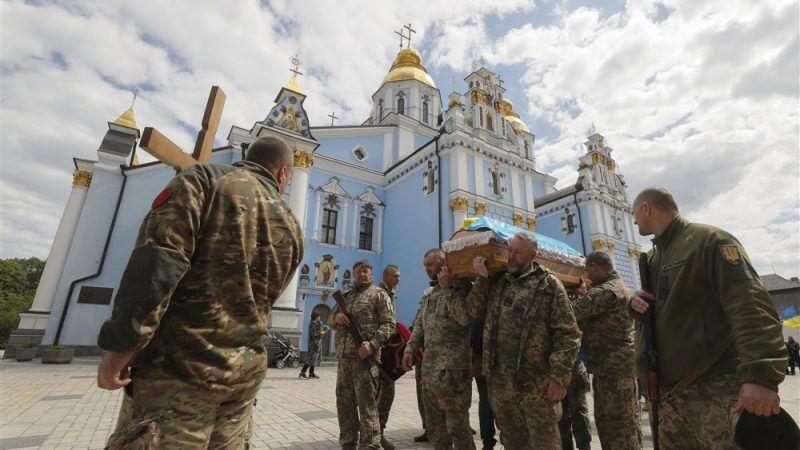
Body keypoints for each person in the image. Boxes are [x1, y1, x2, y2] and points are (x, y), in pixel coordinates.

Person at [96, 136, 304, 449]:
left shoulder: (204, 180)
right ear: (283, 173)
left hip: (180, 373)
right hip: (242, 379)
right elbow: (265, 299)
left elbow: (158, 264)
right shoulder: (291, 224)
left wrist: (121, 347)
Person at [629, 187, 787, 448]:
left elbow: (750, 306)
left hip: (712, 389)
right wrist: (635, 305)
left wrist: (760, 377)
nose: (633, 221)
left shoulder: (709, 241)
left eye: (634, 213)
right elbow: (669, 314)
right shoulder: (655, 257)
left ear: (646, 208)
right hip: (668, 397)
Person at [468, 232, 582, 449]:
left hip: (537, 386)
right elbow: (473, 310)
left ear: (533, 255)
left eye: (518, 253)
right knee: (512, 443)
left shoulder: (548, 285)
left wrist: (559, 376)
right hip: (501, 385)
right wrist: (481, 278)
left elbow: (568, 333)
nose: (511, 257)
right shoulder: (497, 282)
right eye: (509, 250)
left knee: (545, 444)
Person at [402, 249, 475, 450]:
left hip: (453, 370)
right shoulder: (431, 293)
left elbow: (465, 318)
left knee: (458, 426)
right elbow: (420, 324)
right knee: (436, 428)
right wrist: (410, 348)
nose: (427, 269)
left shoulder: (462, 287)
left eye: (430, 264)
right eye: (425, 266)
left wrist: (447, 288)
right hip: (430, 368)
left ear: (444, 263)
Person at [572, 251, 641, 449]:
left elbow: (570, 313)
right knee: (623, 419)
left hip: (612, 368)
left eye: (587, 270)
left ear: (595, 267)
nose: (587, 274)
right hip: (616, 367)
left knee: (617, 424)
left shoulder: (604, 292)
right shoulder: (619, 287)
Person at [331, 259, 396, 450]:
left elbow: (389, 324)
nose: (362, 274)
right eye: (358, 271)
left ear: (371, 273)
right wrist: (336, 317)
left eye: (365, 270)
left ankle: (369, 445)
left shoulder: (379, 294)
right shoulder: (346, 296)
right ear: (354, 274)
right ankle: (348, 443)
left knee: (368, 408)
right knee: (345, 407)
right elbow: (330, 319)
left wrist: (373, 345)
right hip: (344, 362)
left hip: (365, 361)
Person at [377, 264, 401, 450]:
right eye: (395, 276)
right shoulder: (378, 293)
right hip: (377, 352)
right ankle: (374, 436)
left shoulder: (392, 294)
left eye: (399, 276)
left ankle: (379, 433)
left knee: (387, 394)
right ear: (385, 276)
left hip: (388, 353)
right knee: (377, 396)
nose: (398, 279)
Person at [471, 318, 497, 450]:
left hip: (495, 363)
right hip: (483, 361)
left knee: (487, 402)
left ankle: (488, 442)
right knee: (487, 403)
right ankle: (488, 441)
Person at [558, 357, 592, 450]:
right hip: (562, 377)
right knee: (564, 418)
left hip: (572, 374)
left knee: (577, 416)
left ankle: (584, 447)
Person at [299, 312, 326, 379]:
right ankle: (302, 373)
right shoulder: (313, 324)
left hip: (317, 343)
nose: (319, 317)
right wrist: (320, 333)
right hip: (313, 344)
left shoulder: (318, 323)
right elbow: (313, 333)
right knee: (310, 358)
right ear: (316, 317)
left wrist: (322, 331)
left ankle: (311, 373)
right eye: (318, 316)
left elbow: (319, 331)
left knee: (314, 358)